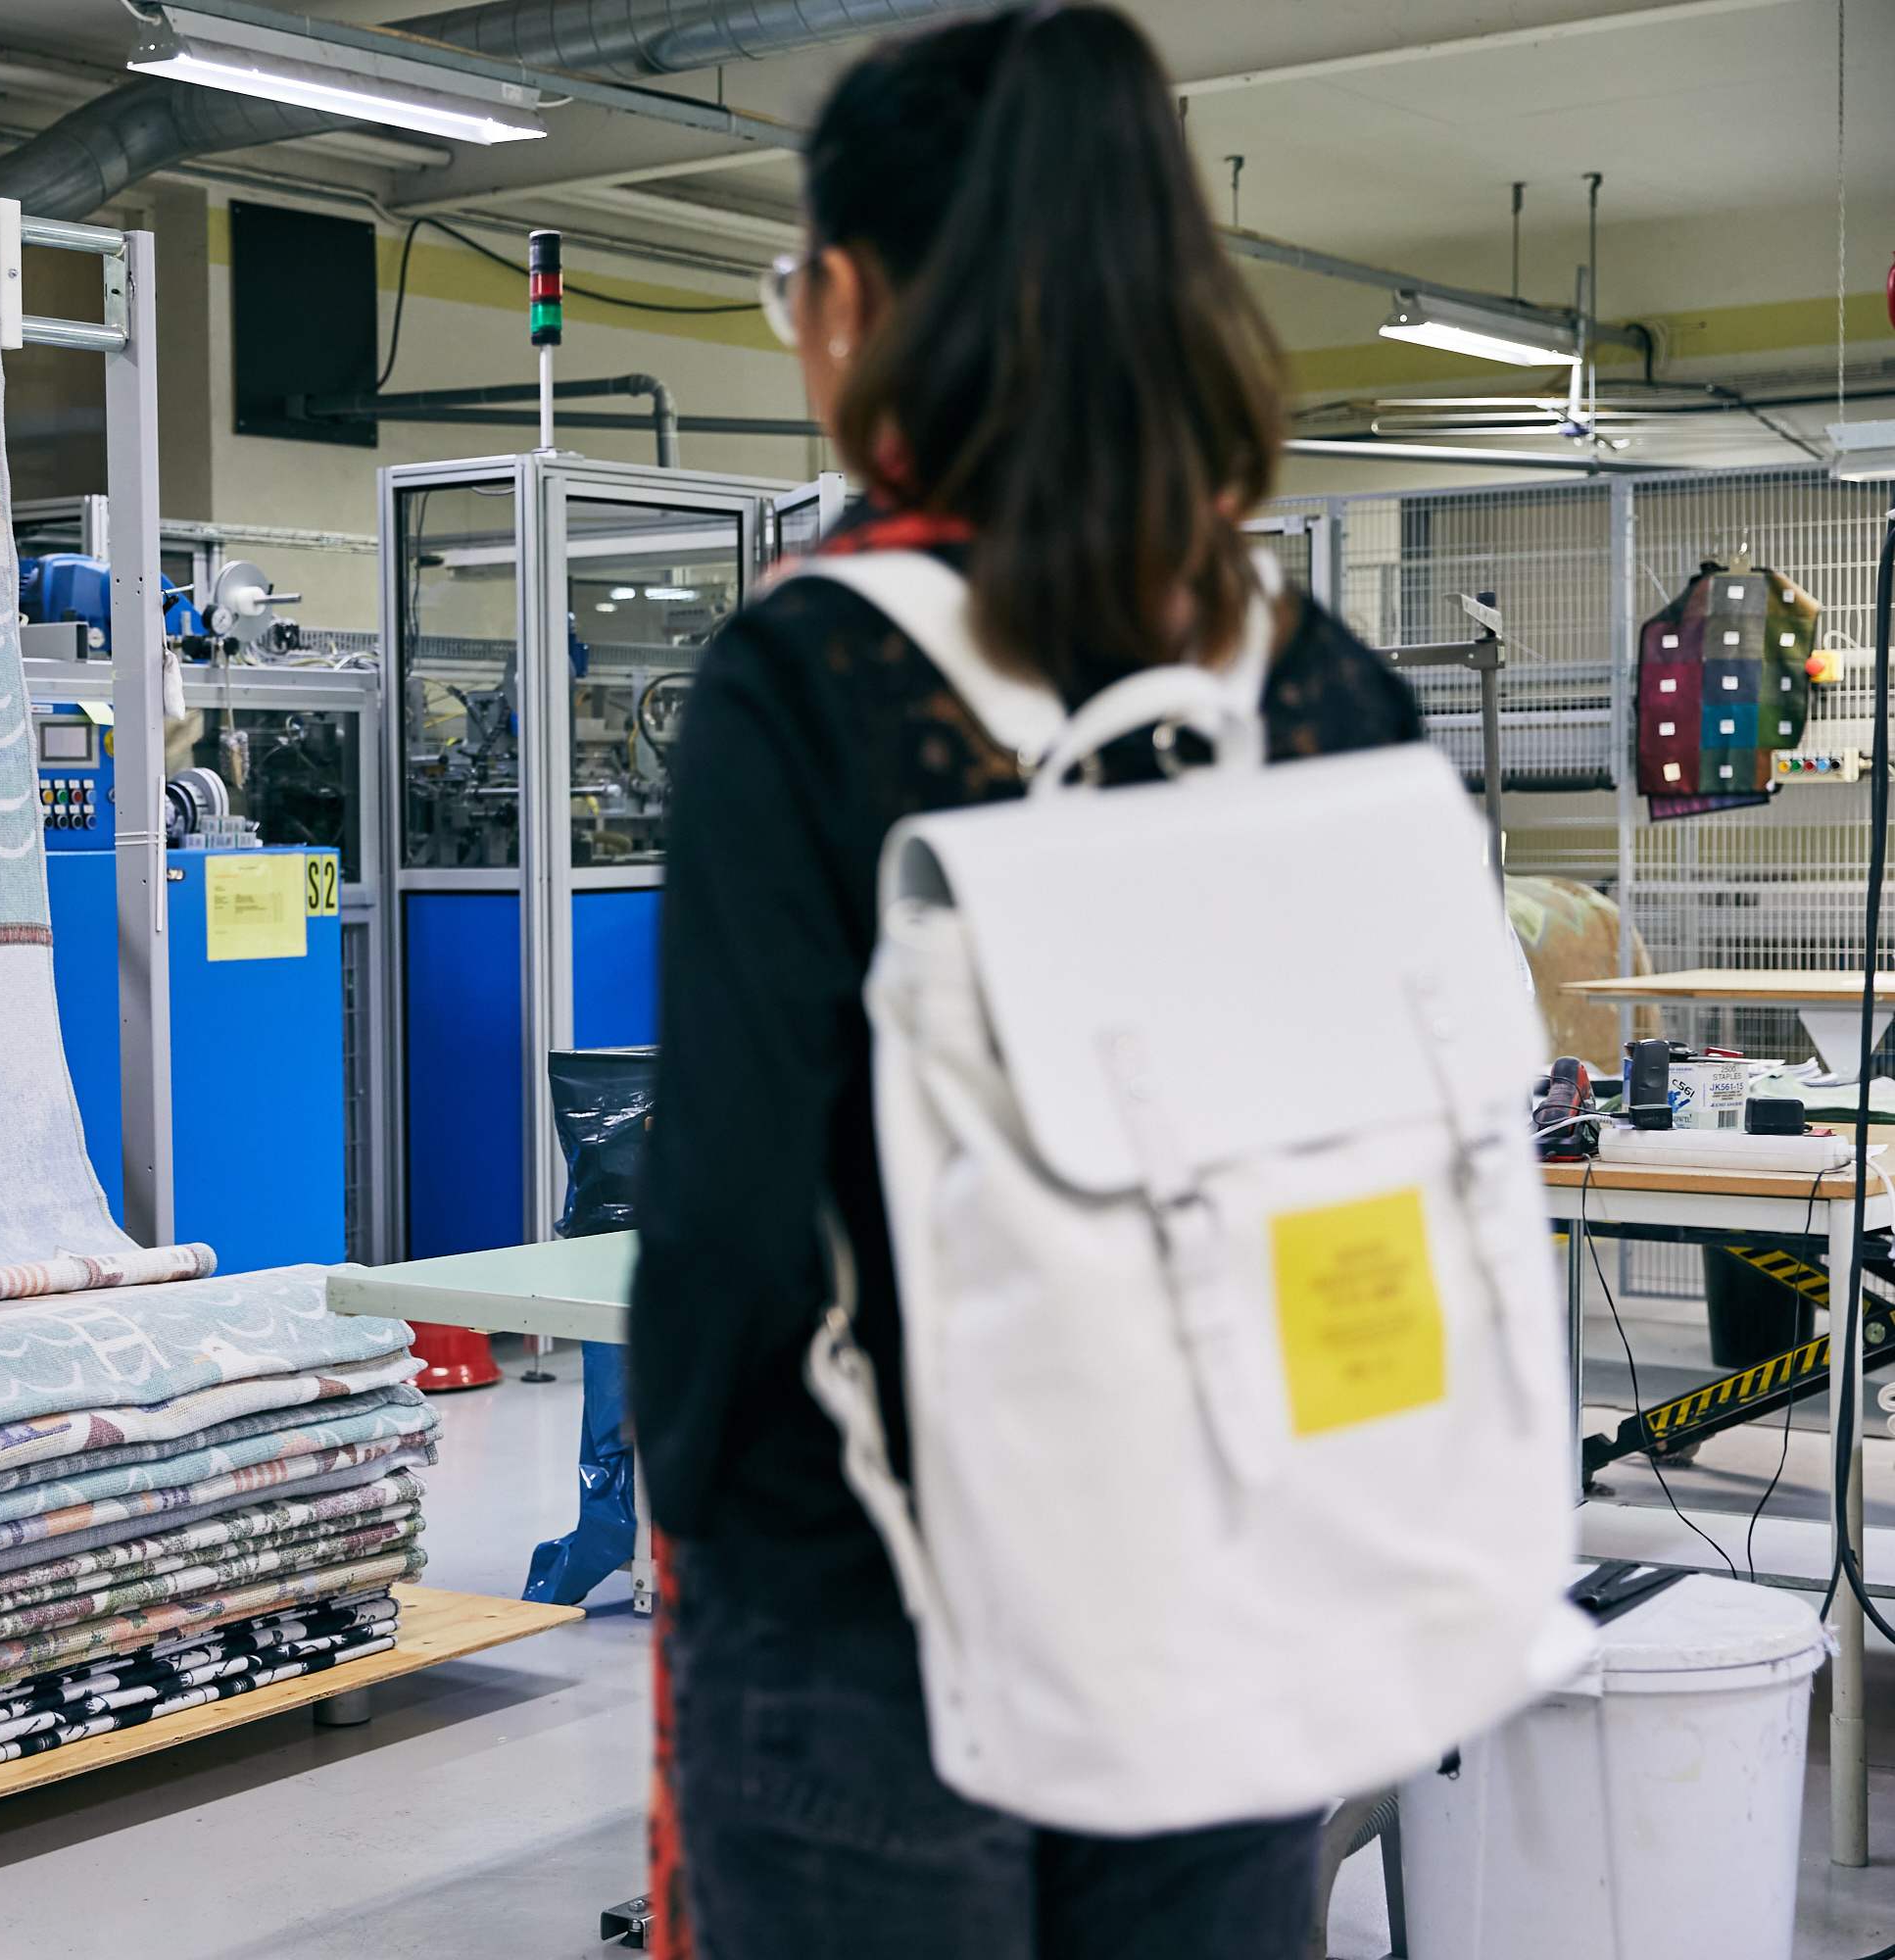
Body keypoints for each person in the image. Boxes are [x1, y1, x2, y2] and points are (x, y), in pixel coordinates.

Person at [628, 8, 1422, 1956]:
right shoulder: (1323, 689)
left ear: (861, 307)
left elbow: (731, 1221)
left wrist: (712, 1511)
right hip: (1227, 1597)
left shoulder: (811, 672)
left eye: (798, 291)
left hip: (879, 1614)